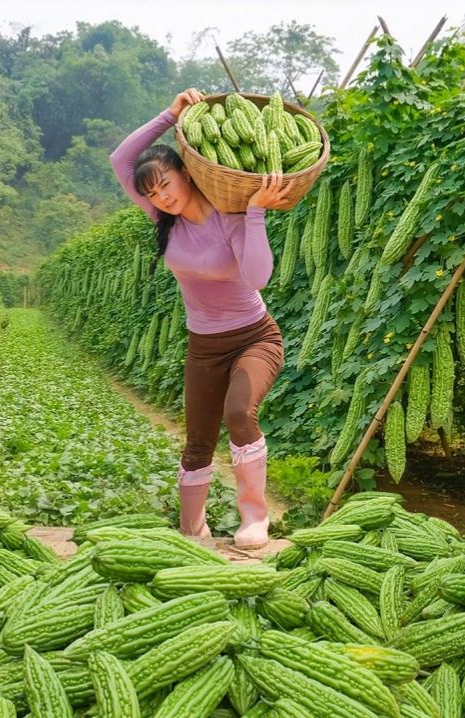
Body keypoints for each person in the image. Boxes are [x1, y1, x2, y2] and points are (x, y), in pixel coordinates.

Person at [109, 88, 290, 550]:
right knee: (197, 443)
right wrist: (169, 115)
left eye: (166, 183)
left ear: (186, 174)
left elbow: (258, 277)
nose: (161, 196)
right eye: (152, 191)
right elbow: (120, 160)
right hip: (203, 346)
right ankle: (193, 530)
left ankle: (255, 518)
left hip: (254, 337)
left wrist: (255, 214)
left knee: (238, 412)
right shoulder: (162, 220)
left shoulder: (230, 216)